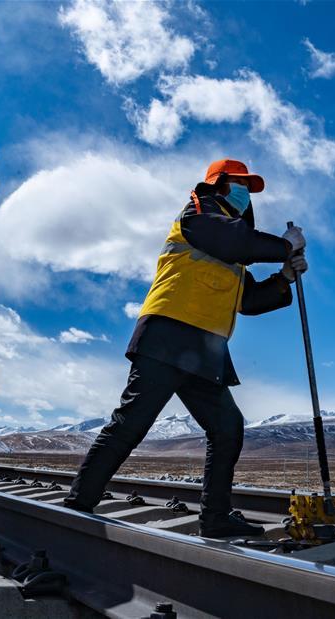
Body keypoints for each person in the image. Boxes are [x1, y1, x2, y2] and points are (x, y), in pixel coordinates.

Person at [64, 159, 308, 537]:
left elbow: (249, 301)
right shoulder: (197, 215)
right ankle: (78, 504)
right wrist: (283, 246)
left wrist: (284, 276)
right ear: (219, 184)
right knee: (131, 424)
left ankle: (214, 519)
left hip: (205, 350)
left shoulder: (231, 245)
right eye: (240, 184)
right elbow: (236, 240)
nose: (245, 193)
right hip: (169, 336)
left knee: (227, 428)